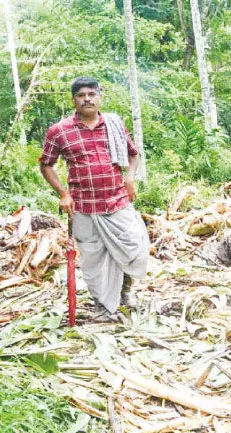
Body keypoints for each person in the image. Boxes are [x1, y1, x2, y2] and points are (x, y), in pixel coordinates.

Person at [39, 76, 149, 322]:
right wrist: (63, 194)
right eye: (81, 95)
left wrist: (129, 179)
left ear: (100, 97)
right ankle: (103, 305)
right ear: (73, 100)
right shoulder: (59, 131)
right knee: (94, 260)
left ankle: (125, 293)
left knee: (134, 248)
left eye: (92, 94)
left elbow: (133, 155)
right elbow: (47, 165)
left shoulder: (114, 124)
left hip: (117, 200)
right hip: (84, 206)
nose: (87, 99)